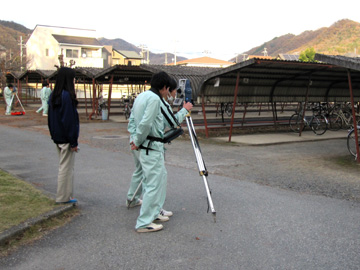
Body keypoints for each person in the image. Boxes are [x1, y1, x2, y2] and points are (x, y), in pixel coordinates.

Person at [127, 74, 193, 233]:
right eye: (169, 90)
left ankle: (155, 212)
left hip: (147, 145)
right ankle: (144, 222)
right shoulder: (155, 100)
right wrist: (137, 140)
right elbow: (146, 123)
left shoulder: (142, 96)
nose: (169, 93)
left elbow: (133, 121)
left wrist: (134, 138)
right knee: (153, 184)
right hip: (151, 146)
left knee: (157, 179)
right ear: (164, 87)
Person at [48, 67, 79, 204]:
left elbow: (50, 118)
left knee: (64, 166)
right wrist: (73, 141)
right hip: (66, 138)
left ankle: (67, 195)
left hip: (57, 136)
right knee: (66, 168)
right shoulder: (67, 96)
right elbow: (69, 121)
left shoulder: (54, 95)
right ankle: (62, 197)